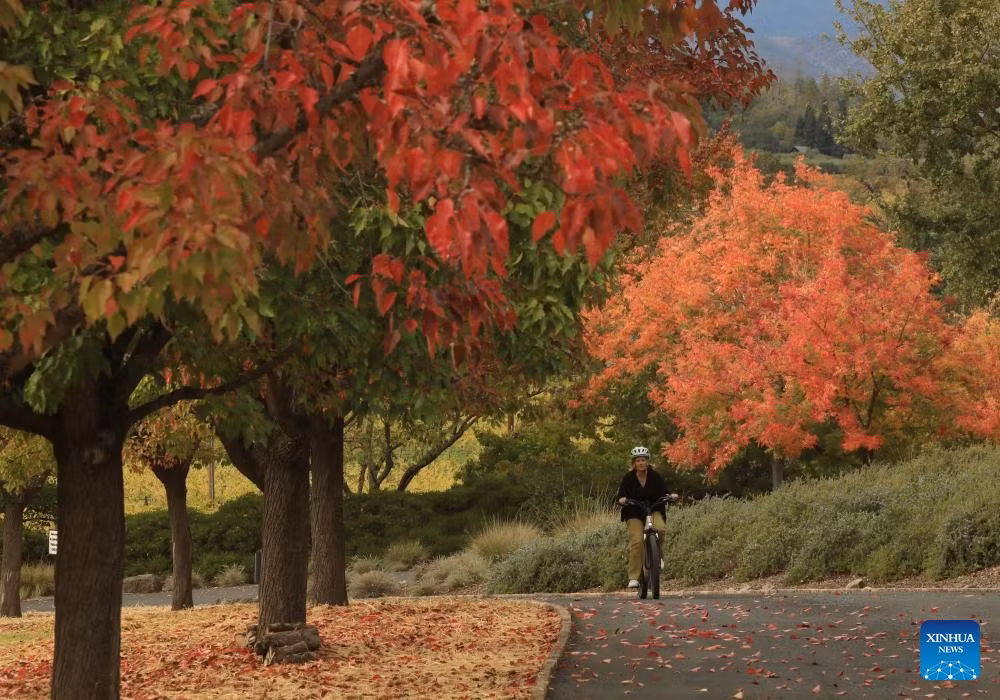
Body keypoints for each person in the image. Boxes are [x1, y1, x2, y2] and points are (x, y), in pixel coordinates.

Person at [615, 446, 677, 589]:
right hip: (634, 512)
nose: (641, 463)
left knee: (660, 529)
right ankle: (634, 577)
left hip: (653, 509)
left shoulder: (655, 476)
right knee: (637, 541)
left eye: (643, 460)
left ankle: (657, 556)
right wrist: (622, 500)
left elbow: (665, 491)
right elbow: (620, 496)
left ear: (648, 462)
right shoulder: (628, 478)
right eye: (638, 460)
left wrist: (671, 496)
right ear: (634, 463)